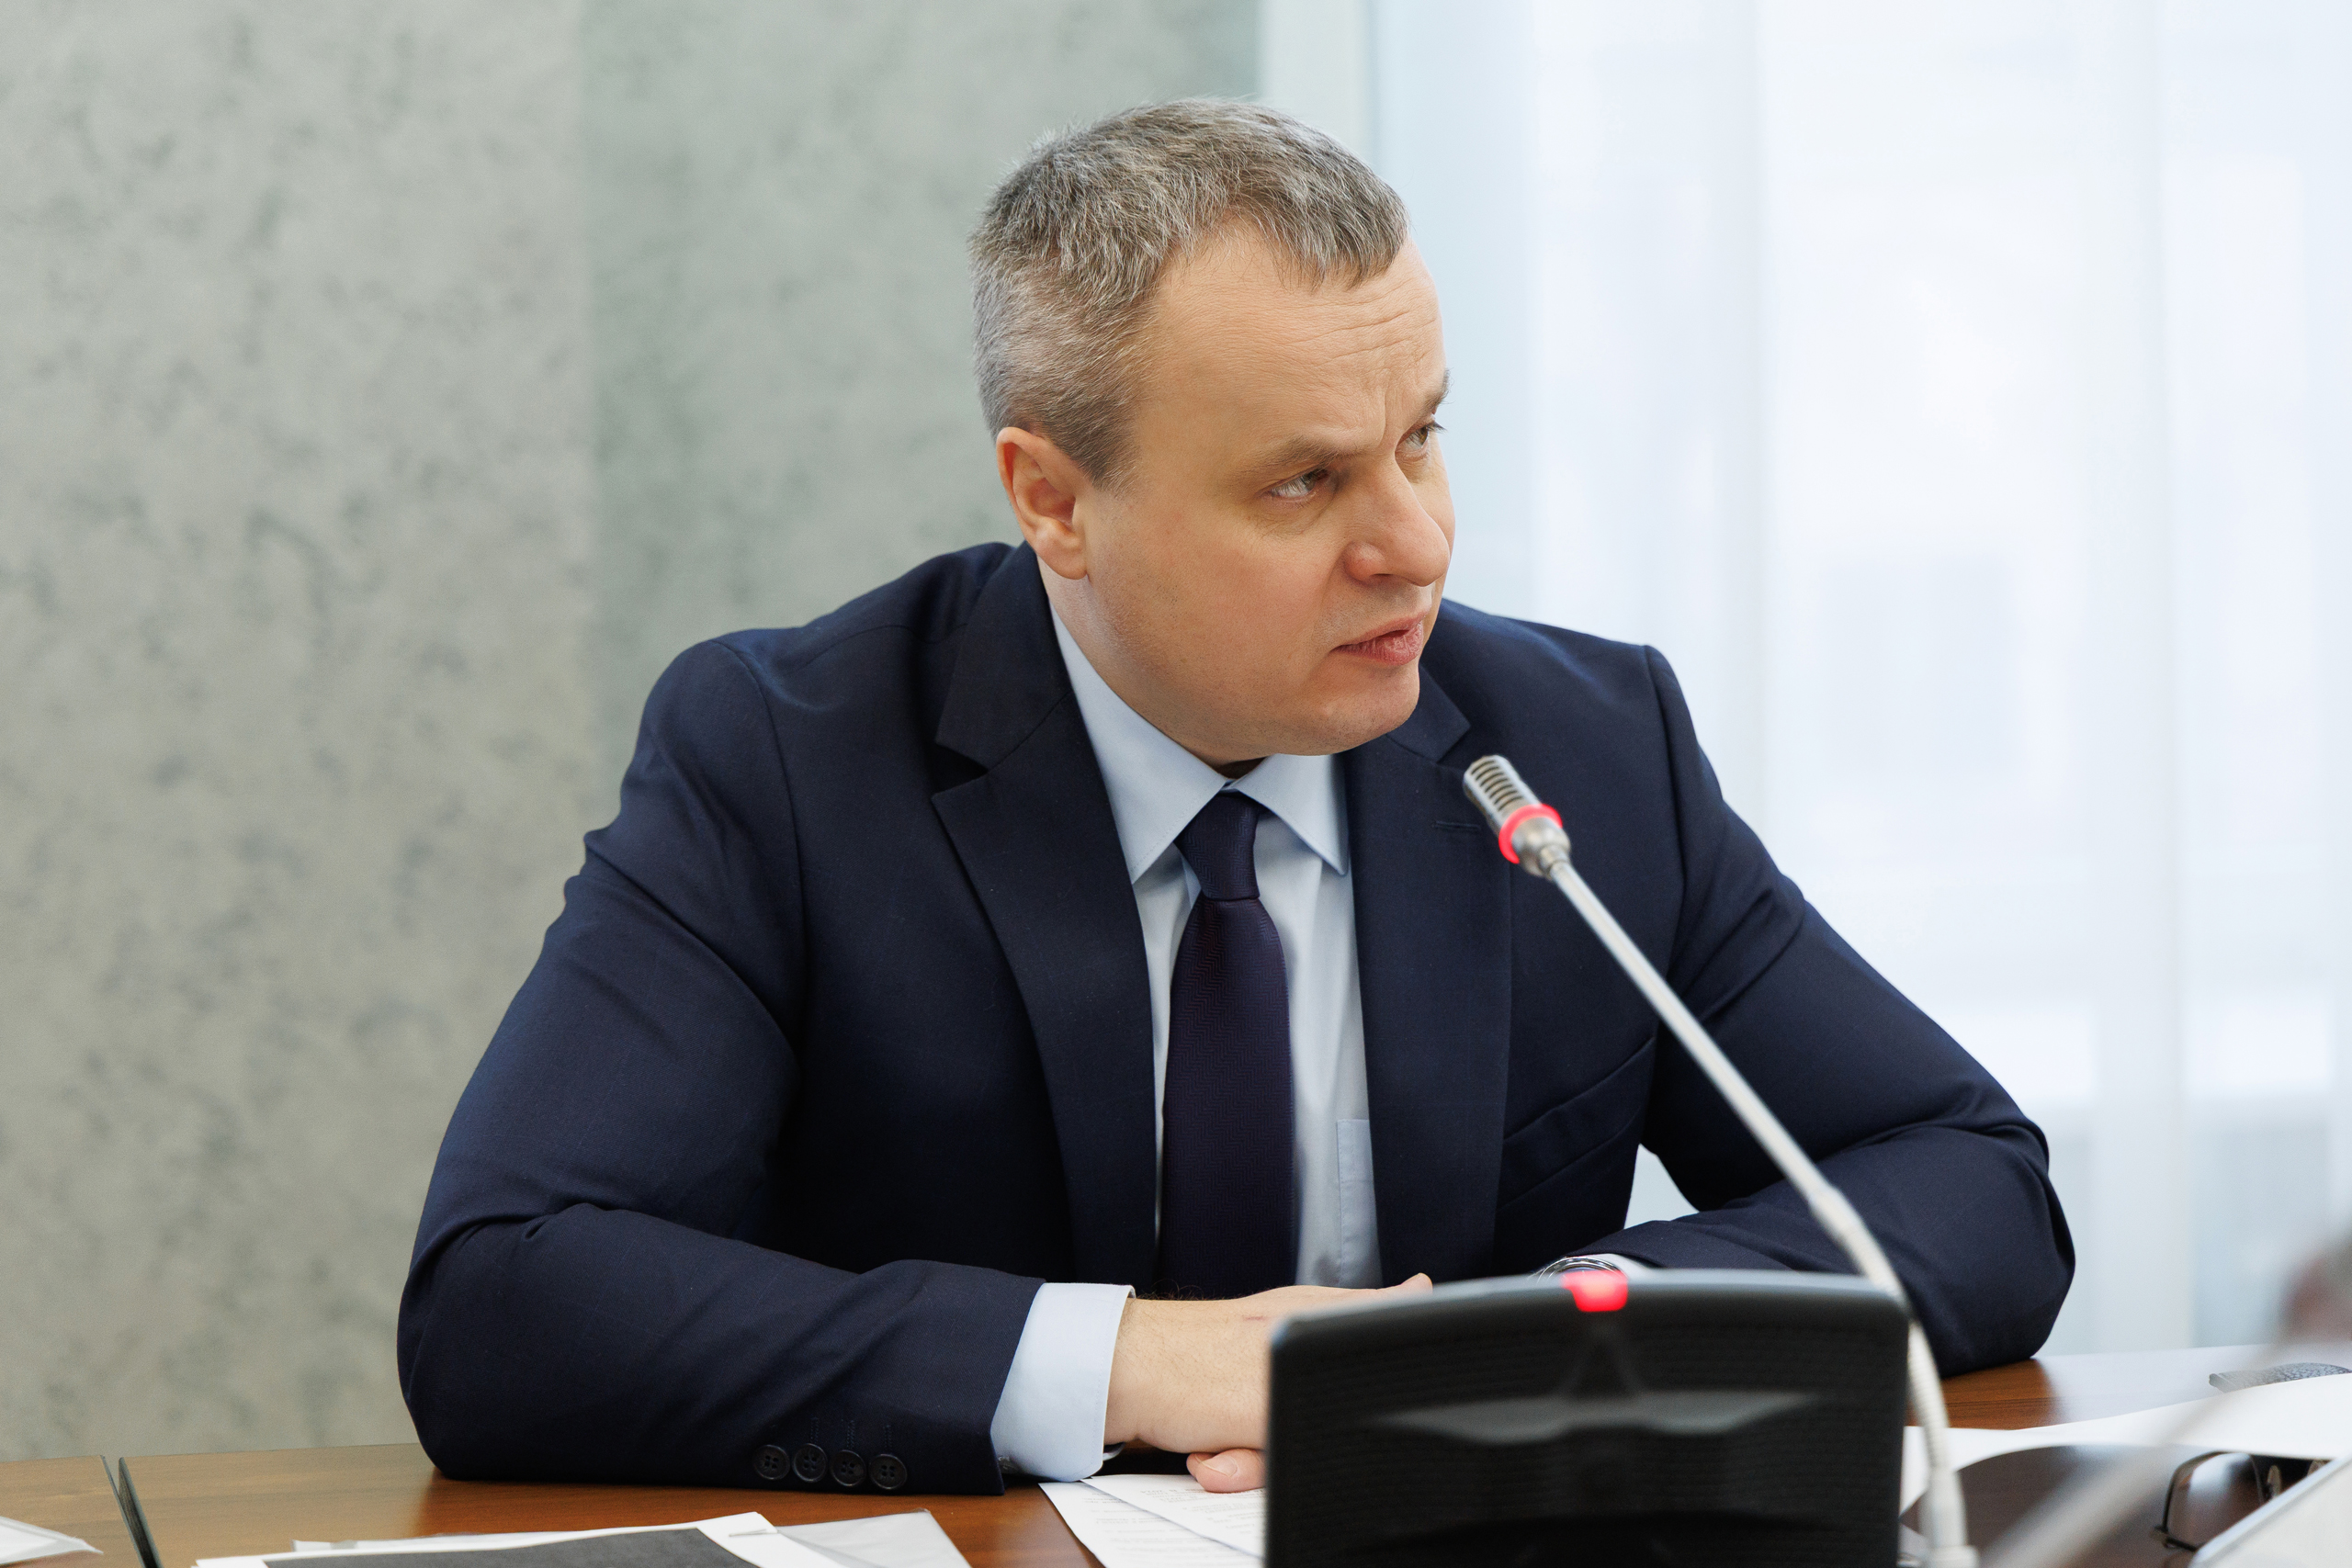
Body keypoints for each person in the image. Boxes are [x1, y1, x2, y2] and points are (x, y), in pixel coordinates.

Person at [398, 100, 2071, 1499]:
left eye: (1422, 439)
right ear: (1055, 502)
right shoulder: (789, 759)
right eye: (1304, 481)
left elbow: (1971, 1182)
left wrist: (1539, 1338)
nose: (1416, 543)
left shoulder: (1580, 745)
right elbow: (502, 1302)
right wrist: (1137, 1363)